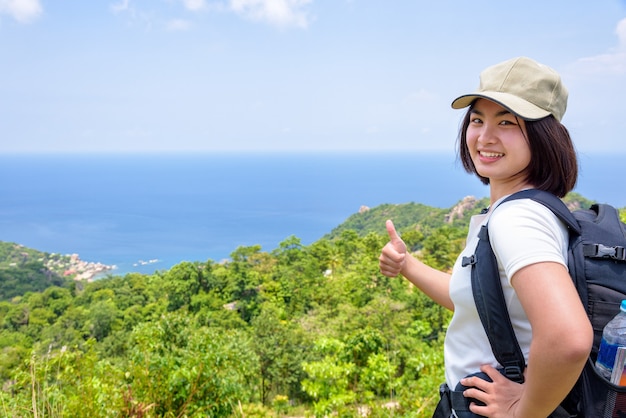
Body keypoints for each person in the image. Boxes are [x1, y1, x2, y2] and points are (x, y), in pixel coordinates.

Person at [379, 57, 593, 418]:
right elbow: (482, 305)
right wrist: (407, 265)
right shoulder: (532, 210)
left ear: (544, 136)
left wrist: (522, 412)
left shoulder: (517, 219)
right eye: (478, 119)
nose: (485, 136)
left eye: (507, 122)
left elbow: (568, 338)